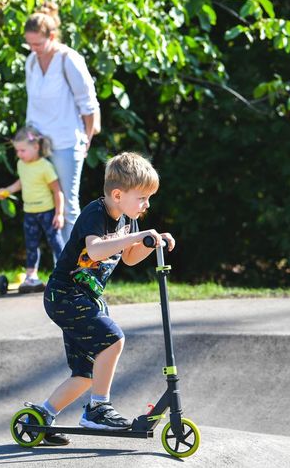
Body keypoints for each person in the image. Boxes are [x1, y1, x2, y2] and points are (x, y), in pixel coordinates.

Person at [24, 152, 175, 446]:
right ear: (117, 194)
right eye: (142, 198)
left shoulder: (126, 221)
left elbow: (130, 258)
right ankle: (98, 409)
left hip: (85, 298)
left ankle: (42, 417)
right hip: (64, 294)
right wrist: (135, 236)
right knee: (113, 340)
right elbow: (94, 251)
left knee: (86, 373)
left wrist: (151, 241)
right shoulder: (95, 214)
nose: (147, 205)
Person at [23, 0, 101, 242]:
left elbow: (88, 104)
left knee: (67, 205)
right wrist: (28, 139)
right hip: (39, 144)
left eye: (37, 43)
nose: (33, 48)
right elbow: (32, 104)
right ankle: (52, 267)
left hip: (68, 141)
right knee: (42, 205)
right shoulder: (31, 61)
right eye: (29, 43)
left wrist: (86, 139)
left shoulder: (69, 59)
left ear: (52, 36)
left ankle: (73, 266)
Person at [0, 126, 65, 289]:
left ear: (36, 147)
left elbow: (57, 190)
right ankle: (31, 277)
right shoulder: (22, 164)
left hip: (47, 212)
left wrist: (59, 213)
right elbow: (22, 182)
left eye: (22, 150)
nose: (19, 154)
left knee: (55, 242)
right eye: (17, 151)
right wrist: (7, 190)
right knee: (31, 245)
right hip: (29, 213)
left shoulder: (45, 166)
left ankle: (66, 273)